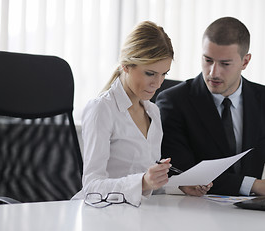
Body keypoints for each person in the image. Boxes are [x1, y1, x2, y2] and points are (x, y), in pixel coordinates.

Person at [156, 17, 265, 197]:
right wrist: (253, 185)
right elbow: (182, 172)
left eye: (225, 64)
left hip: (253, 215)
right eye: (208, 60)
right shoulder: (173, 102)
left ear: (245, 62)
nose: (213, 72)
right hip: (197, 212)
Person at [72, 21, 211, 207]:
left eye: (164, 74)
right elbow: (91, 187)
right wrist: (143, 181)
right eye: (150, 73)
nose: (158, 83)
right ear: (126, 66)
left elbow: (146, 187)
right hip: (101, 216)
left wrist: (180, 187)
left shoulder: (153, 112)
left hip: (136, 216)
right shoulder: (102, 109)